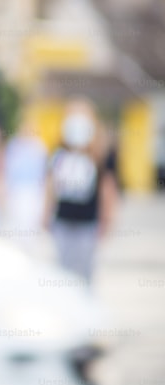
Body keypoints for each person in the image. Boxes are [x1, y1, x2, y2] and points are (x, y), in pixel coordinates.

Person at [44, 99, 118, 284]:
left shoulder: (100, 155)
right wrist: (46, 214)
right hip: (63, 221)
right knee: (63, 273)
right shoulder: (59, 152)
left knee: (85, 274)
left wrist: (107, 220)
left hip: (87, 223)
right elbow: (51, 185)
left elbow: (107, 190)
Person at [2, 111, 48, 252]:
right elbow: (6, 170)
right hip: (16, 192)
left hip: (34, 193)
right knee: (15, 231)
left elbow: (45, 175)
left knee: (30, 232)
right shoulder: (13, 146)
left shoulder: (39, 148)